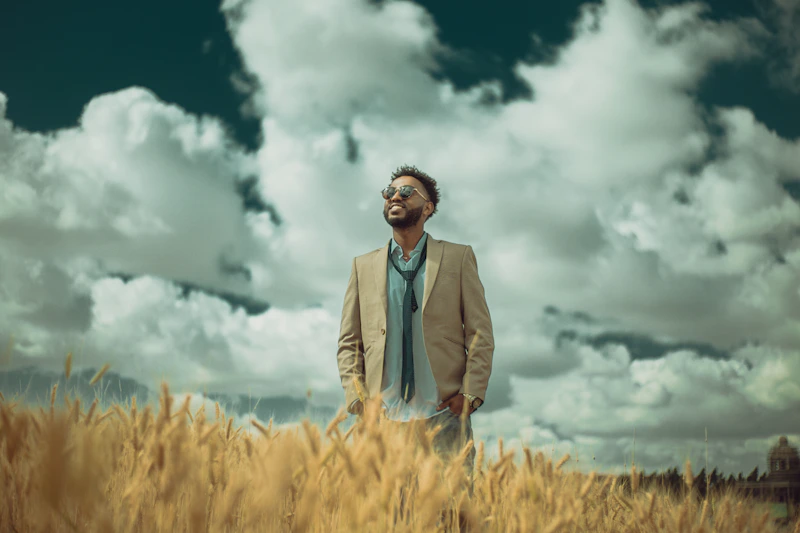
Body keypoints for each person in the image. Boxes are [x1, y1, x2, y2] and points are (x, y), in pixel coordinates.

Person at [336, 165, 494, 481]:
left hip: (444, 417)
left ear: (428, 207)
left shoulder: (458, 257)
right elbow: (349, 342)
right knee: (383, 512)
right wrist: (359, 400)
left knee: (452, 510)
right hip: (380, 420)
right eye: (389, 192)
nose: (395, 196)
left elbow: (480, 334)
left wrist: (469, 395)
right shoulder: (362, 266)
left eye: (406, 192)